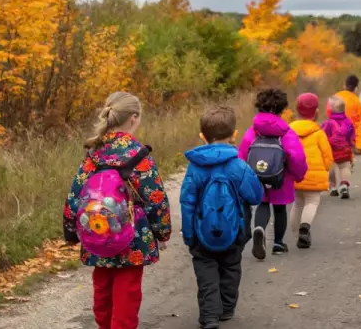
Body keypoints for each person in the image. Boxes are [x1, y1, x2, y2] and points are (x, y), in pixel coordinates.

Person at [63, 92, 171, 329]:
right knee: (127, 293)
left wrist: (71, 231)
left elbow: (75, 194)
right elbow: (155, 198)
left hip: (97, 228)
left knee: (102, 289)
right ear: (134, 118)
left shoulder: (94, 152)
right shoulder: (139, 155)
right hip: (133, 235)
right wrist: (162, 232)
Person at [181, 106, 264, 329]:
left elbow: (187, 203)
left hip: (201, 233)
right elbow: (255, 196)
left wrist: (189, 236)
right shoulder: (238, 166)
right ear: (234, 135)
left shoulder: (195, 167)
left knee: (205, 272)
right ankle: (227, 308)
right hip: (235, 230)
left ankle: (209, 316)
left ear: (202, 136)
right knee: (231, 268)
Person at [238, 88, 308, 259]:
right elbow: (297, 157)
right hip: (280, 177)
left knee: (262, 204)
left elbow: (242, 154)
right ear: (282, 109)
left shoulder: (253, 130)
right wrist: (298, 175)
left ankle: (259, 229)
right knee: (279, 209)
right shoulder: (286, 132)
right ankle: (278, 244)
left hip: (257, 175)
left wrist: (242, 178)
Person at [290, 93, 334, 248]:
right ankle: (305, 228)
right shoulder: (318, 133)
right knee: (312, 201)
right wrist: (325, 169)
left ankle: (296, 233)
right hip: (314, 176)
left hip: (294, 174)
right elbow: (328, 156)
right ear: (316, 112)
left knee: (297, 203)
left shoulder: (289, 131)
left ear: (296, 110)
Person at [322, 96, 356, 199]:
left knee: (331, 168)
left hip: (331, 150)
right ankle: (344, 185)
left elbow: (323, 136)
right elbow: (351, 136)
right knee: (345, 167)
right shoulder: (348, 122)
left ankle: (332, 187)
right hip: (345, 149)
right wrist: (352, 146)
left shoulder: (328, 123)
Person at [334, 75, 361, 155]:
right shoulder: (356, 101)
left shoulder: (335, 97)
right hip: (349, 141)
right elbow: (360, 124)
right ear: (356, 88)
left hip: (335, 139)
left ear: (344, 85)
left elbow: (329, 117)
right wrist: (359, 145)